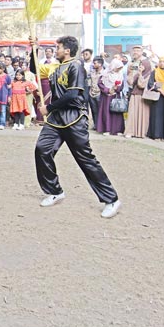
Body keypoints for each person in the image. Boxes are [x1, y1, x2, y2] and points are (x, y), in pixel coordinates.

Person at [34, 36, 121, 218]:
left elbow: (73, 94)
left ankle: (111, 199)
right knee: (42, 149)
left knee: (85, 158)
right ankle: (55, 191)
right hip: (55, 119)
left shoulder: (77, 66)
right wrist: (33, 49)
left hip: (74, 117)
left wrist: (47, 108)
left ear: (67, 50)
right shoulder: (54, 67)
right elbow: (34, 68)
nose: (54, 50)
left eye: (57, 47)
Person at [124, 47, 152, 138]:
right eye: (134, 50)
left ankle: (141, 132)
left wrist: (138, 75)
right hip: (133, 91)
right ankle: (131, 131)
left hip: (142, 92)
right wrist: (130, 72)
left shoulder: (145, 63)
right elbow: (130, 79)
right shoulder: (132, 63)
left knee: (141, 114)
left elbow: (145, 78)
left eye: (138, 50)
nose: (135, 52)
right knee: (132, 113)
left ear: (142, 52)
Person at [96, 59, 125, 135]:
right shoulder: (105, 74)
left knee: (116, 112)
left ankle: (117, 130)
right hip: (107, 97)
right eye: (117, 67)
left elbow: (122, 85)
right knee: (106, 112)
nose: (118, 69)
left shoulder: (120, 75)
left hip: (116, 96)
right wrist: (108, 90)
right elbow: (100, 83)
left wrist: (117, 88)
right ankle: (107, 129)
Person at [147, 57, 164, 140]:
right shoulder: (155, 71)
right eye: (160, 61)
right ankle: (156, 135)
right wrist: (160, 90)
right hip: (158, 95)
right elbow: (150, 83)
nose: (161, 63)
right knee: (157, 115)